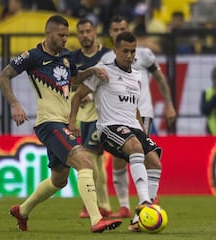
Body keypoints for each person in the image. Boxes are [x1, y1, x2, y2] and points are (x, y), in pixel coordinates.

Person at [0, 15, 121, 233]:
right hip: (48, 122)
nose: (65, 39)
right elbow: (3, 77)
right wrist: (15, 104)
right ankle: (97, 220)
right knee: (85, 162)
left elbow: (74, 80)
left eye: (66, 35)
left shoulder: (66, 57)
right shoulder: (33, 56)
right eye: (61, 35)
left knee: (59, 180)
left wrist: (91, 71)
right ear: (48, 33)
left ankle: (22, 211)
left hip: (63, 122)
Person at [69, 30, 166, 233]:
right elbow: (77, 95)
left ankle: (139, 219)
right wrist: (72, 122)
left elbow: (135, 107)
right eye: (125, 51)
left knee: (155, 160)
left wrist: (141, 129)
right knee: (136, 148)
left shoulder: (137, 76)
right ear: (115, 51)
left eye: (132, 51)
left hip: (133, 126)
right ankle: (146, 202)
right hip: (109, 128)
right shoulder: (102, 71)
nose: (129, 55)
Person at [100, 15, 176, 220]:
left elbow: (160, 79)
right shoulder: (105, 60)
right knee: (120, 158)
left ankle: (147, 200)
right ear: (111, 35)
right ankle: (126, 205)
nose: (119, 32)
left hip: (141, 113)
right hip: (116, 117)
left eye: (122, 28)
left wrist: (169, 103)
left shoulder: (144, 55)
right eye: (115, 30)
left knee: (142, 154)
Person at [70, 18, 112, 219]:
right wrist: (80, 92)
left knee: (91, 159)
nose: (85, 35)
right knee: (94, 160)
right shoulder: (73, 58)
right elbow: (69, 83)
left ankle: (98, 204)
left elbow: (112, 82)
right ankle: (99, 204)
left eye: (88, 31)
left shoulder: (106, 55)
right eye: (81, 32)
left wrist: (92, 94)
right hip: (82, 117)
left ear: (95, 32)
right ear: (77, 35)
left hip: (101, 114)